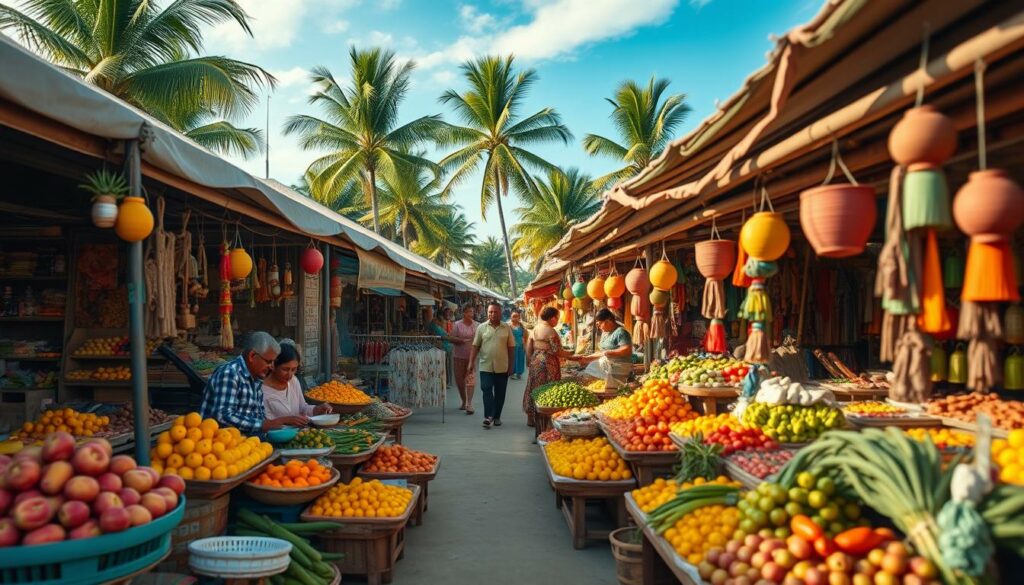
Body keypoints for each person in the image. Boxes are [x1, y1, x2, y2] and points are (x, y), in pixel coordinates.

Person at [200, 332, 284, 433]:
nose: (271, 366)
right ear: (252, 356)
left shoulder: (256, 378)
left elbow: (258, 416)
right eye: (269, 361)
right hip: (222, 442)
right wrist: (262, 425)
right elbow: (223, 415)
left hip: (247, 443)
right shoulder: (230, 373)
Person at [523, 306, 575, 430]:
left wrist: (530, 360)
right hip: (547, 363)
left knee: (533, 387)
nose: (557, 321)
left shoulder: (536, 329)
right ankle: (545, 419)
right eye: (557, 318)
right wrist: (572, 355)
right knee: (548, 389)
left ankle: (531, 418)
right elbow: (558, 351)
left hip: (536, 360)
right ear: (552, 318)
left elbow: (529, 347)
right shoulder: (551, 331)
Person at [467, 302, 515, 429]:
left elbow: (511, 348)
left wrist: (511, 365)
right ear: (488, 313)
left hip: (502, 366)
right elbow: (475, 346)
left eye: (495, 312)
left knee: (500, 393)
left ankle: (497, 416)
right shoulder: (481, 327)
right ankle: (488, 417)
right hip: (485, 365)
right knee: (486, 389)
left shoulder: (506, 328)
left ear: (500, 312)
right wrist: (471, 362)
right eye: (490, 312)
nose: (492, 314)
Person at [262, 341, 332, 426]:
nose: (290, 374)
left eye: (293, 369)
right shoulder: (262, 390)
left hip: (298, 433)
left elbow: (302, 408)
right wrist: (286, 420)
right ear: (273, 366)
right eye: (285, 369)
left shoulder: (293, 381)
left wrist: (316, 409)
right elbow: (263, 424)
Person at [577, 308, 634, 383]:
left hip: (619, 366)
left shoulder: (621, 332)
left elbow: (627, 350)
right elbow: (602, 352)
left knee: (587, 378)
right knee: (580, 376)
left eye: (599, 324)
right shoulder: (605, 333)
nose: (599, 327)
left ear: (609, 320)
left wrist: (610, 353)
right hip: (607, 364)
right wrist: (587, 358)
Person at [450, 304, 478, 414]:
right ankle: (464, 400)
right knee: (460, 381)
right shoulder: (457, 325)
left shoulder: (477, 325)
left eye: (472, 312)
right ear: (464, 313)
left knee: (470, 379)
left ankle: (469, 403)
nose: (471, 314)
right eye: (469, 312)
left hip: (471, 357)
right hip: (458, 356)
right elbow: (450, 337)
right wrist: (459, 340)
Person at [509, 310, 528, 380]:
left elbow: (525, 337)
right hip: (512, 347)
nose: (515, 318)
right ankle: (513, 373)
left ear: (519, 318)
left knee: (520, 360)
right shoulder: (508, 327)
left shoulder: (522, 326)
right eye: (513, 316)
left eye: (516, 316)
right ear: (510, 317)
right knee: (513, 360)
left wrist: (525, 348)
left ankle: (518, 373)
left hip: (520, 347)